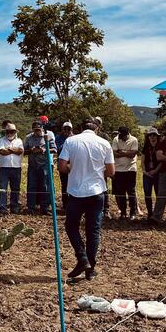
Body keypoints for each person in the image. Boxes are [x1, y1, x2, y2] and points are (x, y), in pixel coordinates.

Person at [58, 118, 115, 282]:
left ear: (81, 128)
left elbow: (62, 166)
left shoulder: (71, 141)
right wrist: (97, 173)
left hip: (76, 192)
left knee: (71, 226)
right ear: (96, 129)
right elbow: (111, 171)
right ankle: (90, 269)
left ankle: (82, 258)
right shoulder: (104, 143)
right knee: (93, 230)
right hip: (97, 192)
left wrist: (73, 169)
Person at [23, 120, 56, 215]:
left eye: (38, 129)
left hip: (45, 165)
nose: (37, 131)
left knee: (45, 186)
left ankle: (44, 207)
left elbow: (54, 149)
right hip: (32, 165)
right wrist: (31, 150)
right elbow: (24, 151)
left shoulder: (48, 136)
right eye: (35, 130)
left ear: (42, 128)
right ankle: (31, 207)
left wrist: (44, 150)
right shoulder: (28, 138)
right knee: (31, 186)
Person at [111, 126, 139, 219]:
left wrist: (121, 152)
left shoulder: (134, 140)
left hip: (131, 169)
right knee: (121, 192)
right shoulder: (116, 139)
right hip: (119, 169)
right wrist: (127, 152)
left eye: (123, 135)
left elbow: (133, 154)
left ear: (127, 134)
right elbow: (115, 154)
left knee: (131, 191)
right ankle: (123, 212)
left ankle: (133, 212)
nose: (121, 137)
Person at [0, 123, 24, 214]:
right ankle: (2, 208)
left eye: (11, 131)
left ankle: (14, 207)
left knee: (15, 188)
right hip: (4, 168)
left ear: (15, 132)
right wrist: (14, 150)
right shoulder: (1, 140)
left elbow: (20, 151)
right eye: (7, 131)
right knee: (3, 189)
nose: (9, 133)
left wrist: (9, 149)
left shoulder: (19, 141)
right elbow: (2, 152)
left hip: (16, 167)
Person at [141, 127, 161, 219]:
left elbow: (162, 162)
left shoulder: (160, 146)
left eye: (154, 135)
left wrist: (156, 170)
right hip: (147, 174)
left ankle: (157, 214)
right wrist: (144, 171)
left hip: (158, 174)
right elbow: (142, 160)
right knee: (147, 194)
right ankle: (150, 213)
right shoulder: (146, 146)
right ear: (148, 137)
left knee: (158, 194)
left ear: (157, 136)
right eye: (150, 135)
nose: (152, 137)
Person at [55, 121, 74, 211]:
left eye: (68, 129)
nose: (66, 130)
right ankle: (65, 204)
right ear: (62, 129)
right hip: (63, 164)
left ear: (71, 129)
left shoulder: (75, 138)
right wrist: (67, 142)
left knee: (74, 184)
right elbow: (58, 149)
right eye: (65, 129)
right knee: (65, 184)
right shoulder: (58, 138)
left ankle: (73, 203)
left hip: (73, 164)